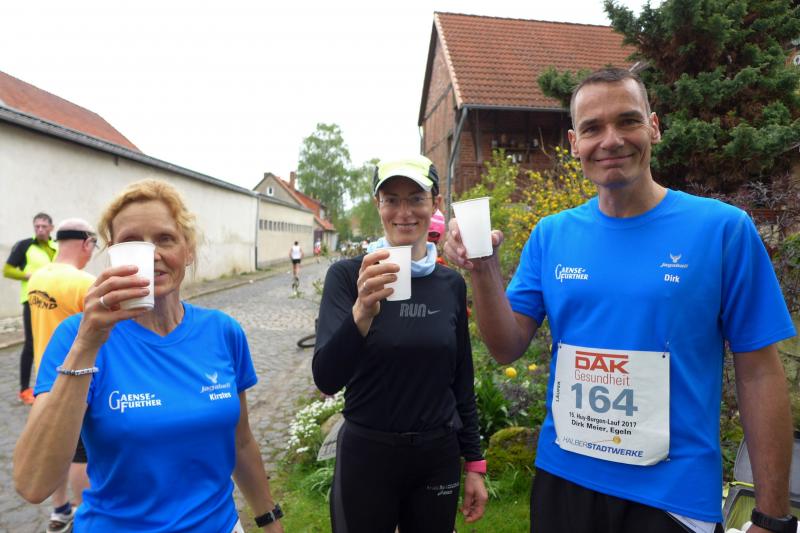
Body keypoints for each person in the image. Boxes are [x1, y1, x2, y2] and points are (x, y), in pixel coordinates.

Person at [445, 68, 796, 533]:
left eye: (627, 121)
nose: (611, 140)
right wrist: (483, 268)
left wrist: (771, 516)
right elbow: (506, 346)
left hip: (671, 498)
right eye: (592, 128)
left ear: (654, 126)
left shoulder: (722, 230)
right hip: (564, 480)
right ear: (574, 143)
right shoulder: (551, 235)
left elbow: (759, 373)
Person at [13, 179, 284, 533]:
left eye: (165, 239)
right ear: (113, 253)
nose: (151, 253)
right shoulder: (76, 336)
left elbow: (241, 440)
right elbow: (33, 484)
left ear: (188, 250)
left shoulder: (222, 332)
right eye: (132, 242)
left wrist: (269, 519)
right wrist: (87, 345)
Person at [312, 156, 487, 533]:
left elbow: (461, 379)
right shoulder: (348, 276)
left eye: (416, 199)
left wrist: (474, 462)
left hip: (436, 456)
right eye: (391, 199)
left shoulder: (450, 284)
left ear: (435, 204)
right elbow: (326, 378)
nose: (404, 212)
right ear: (378, 205)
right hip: (367, 453)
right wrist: (361, 313)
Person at [27, 218, 97, 533]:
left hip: (44, 375)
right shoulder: (85, 283)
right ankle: (84, 512)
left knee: (55, 447)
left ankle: (59, 510)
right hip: (75, 376)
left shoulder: (37, 277)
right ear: (86, 243)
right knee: (79, 450)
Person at [4, 212, 57, 405]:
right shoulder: (25, 245)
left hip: (56, 299)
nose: (40, 230)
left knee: (54, 339)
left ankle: (53, 385)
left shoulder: (57, 246)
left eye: (44, 226)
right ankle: (25, 389)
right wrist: (29, 275)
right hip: (33, 300)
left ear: (51, 228)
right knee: (30, 343)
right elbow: (7, 270)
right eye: (37, 226)